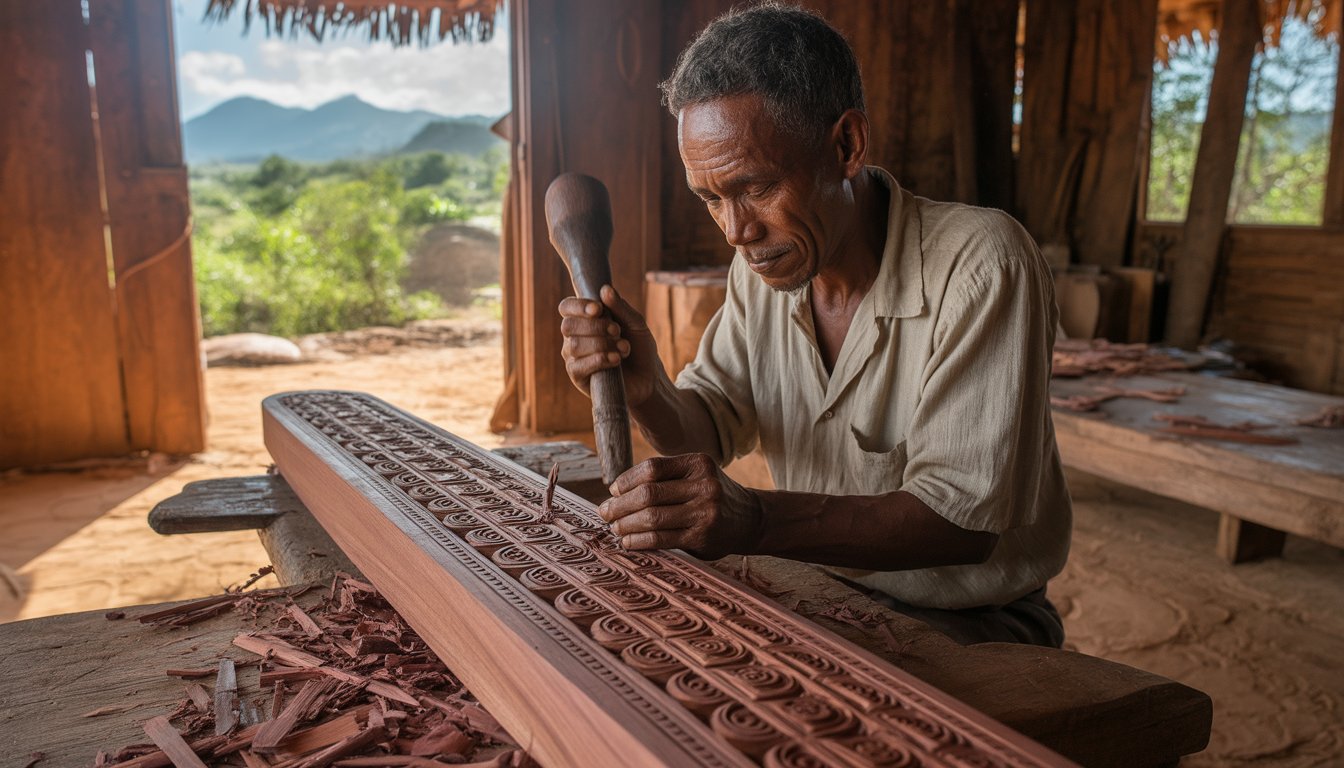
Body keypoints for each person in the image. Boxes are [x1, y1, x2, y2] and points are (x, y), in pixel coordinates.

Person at [557, 3, 1071, 647]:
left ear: (846, 146)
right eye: (711, 198)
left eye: (757, 187)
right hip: (818, 591)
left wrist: (756, 520)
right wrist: (647, 388)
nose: (736, 231)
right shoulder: (765, 270)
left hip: (971, 620)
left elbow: (962, 523)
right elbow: (707, 432)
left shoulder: (981, 263)